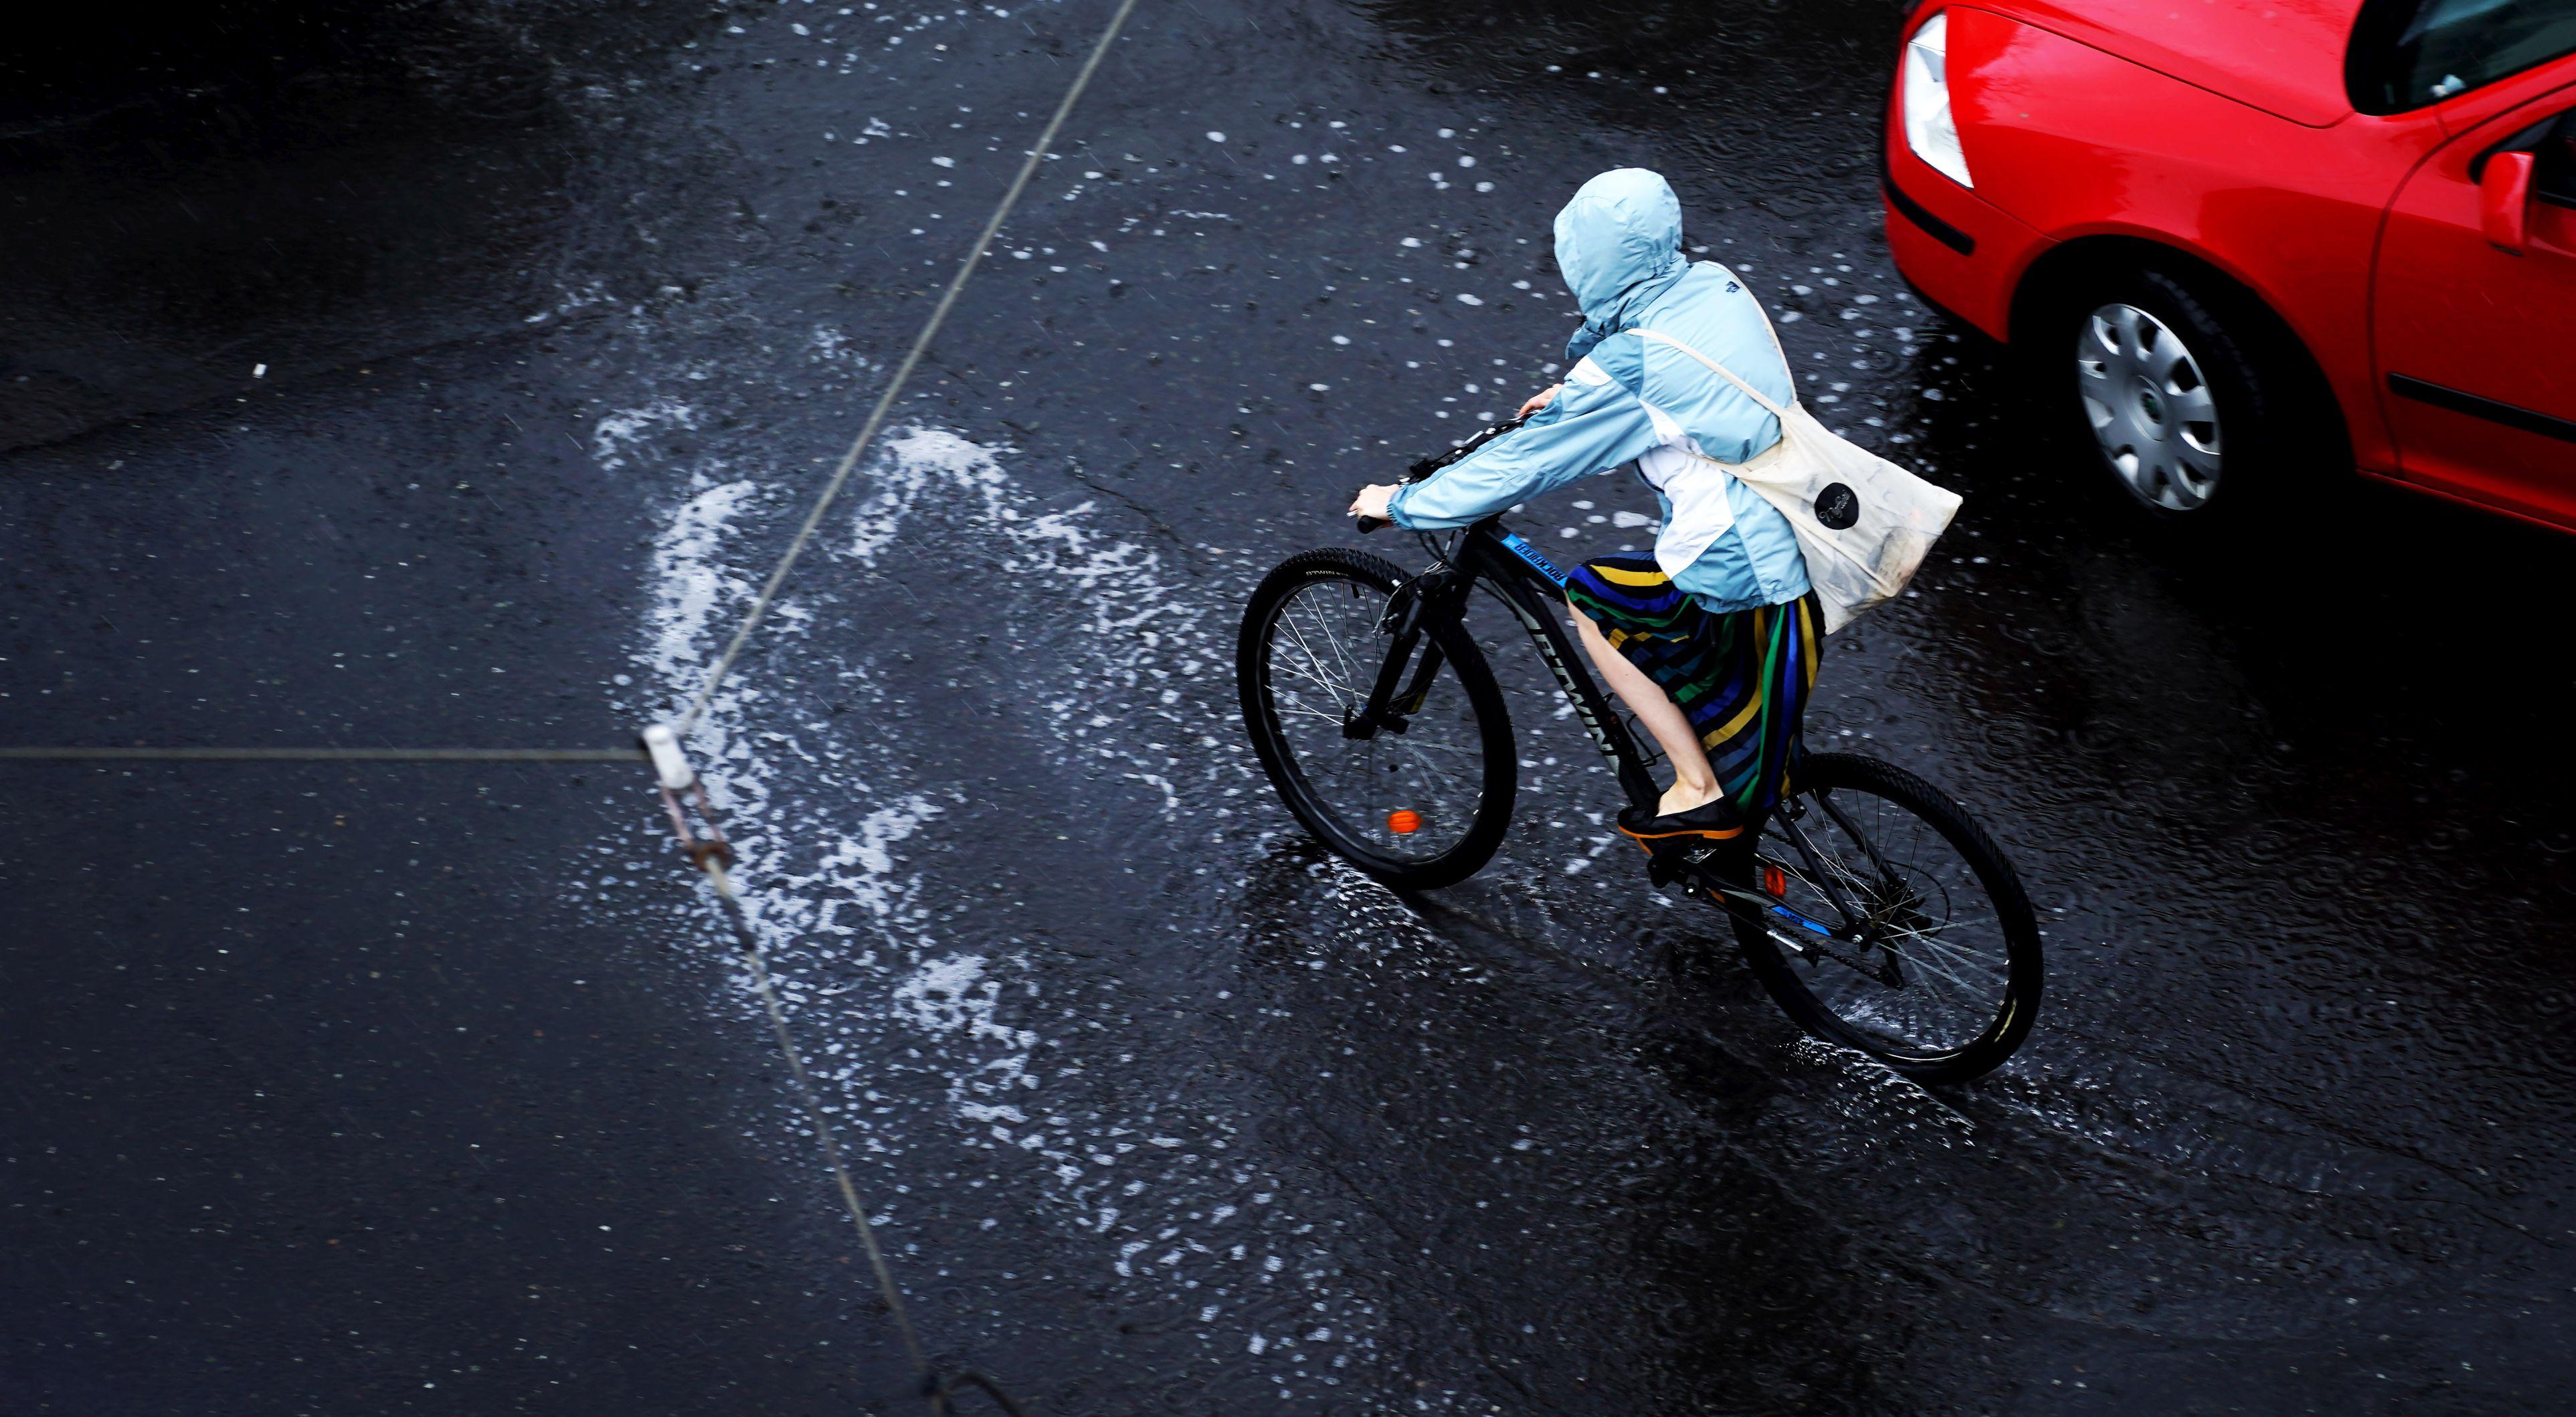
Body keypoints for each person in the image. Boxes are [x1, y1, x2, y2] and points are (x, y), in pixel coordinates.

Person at [1348, 167, 1822, 860]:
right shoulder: (1710, 285)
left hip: (1736, 567)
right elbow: (1689, 370)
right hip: (1799, 533)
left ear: (1591, 262)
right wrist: (1579, 394)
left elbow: (1527, 463)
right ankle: (1721, 800)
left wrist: (1404, 504)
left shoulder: (1637, 364)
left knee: (1592, 597)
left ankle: (1696, 788)